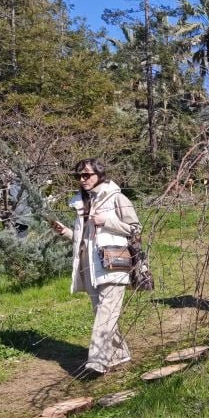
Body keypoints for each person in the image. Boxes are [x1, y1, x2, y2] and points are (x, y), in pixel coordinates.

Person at [50, 158, 140, 377]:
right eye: (78, 176)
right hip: (89, 266)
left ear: (100, 174)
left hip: (114, 263)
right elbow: (85, 240)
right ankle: (119, 354)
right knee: (103, 313)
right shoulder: (82, 201)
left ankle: (97, 363)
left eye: (86, 175)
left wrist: (106, 221)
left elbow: (135, 228)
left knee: (106, 313)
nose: (82, 179)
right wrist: (67, 233)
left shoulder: (117, 197)